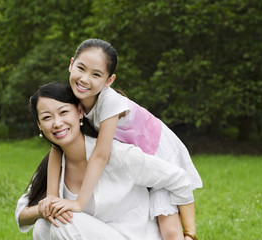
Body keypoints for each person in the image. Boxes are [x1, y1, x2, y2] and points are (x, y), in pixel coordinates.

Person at [46, 39, 203, 239]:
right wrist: (52, 196)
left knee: (170, 231)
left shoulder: (109, 101)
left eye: (96, 74)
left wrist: (78, 203)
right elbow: (58, 146)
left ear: (109, 80)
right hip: (134, 159)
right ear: (71, 65)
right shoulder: (74, 99)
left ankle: (190, 235)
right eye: (81, 68)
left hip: (158, 152)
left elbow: (100, 155)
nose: (85, 79)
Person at [15, 82, 197, 239]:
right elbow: (22, 214)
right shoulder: (54, 164)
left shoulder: (115, 154)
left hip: (133, 237)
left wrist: (189, 234)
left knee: (64, 222)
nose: (56, 123)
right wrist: (42, 209)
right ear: (39, 125)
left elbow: (180, 179)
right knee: (42, 226)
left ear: (79, 112)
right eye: (47, 117)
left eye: (63, 112)